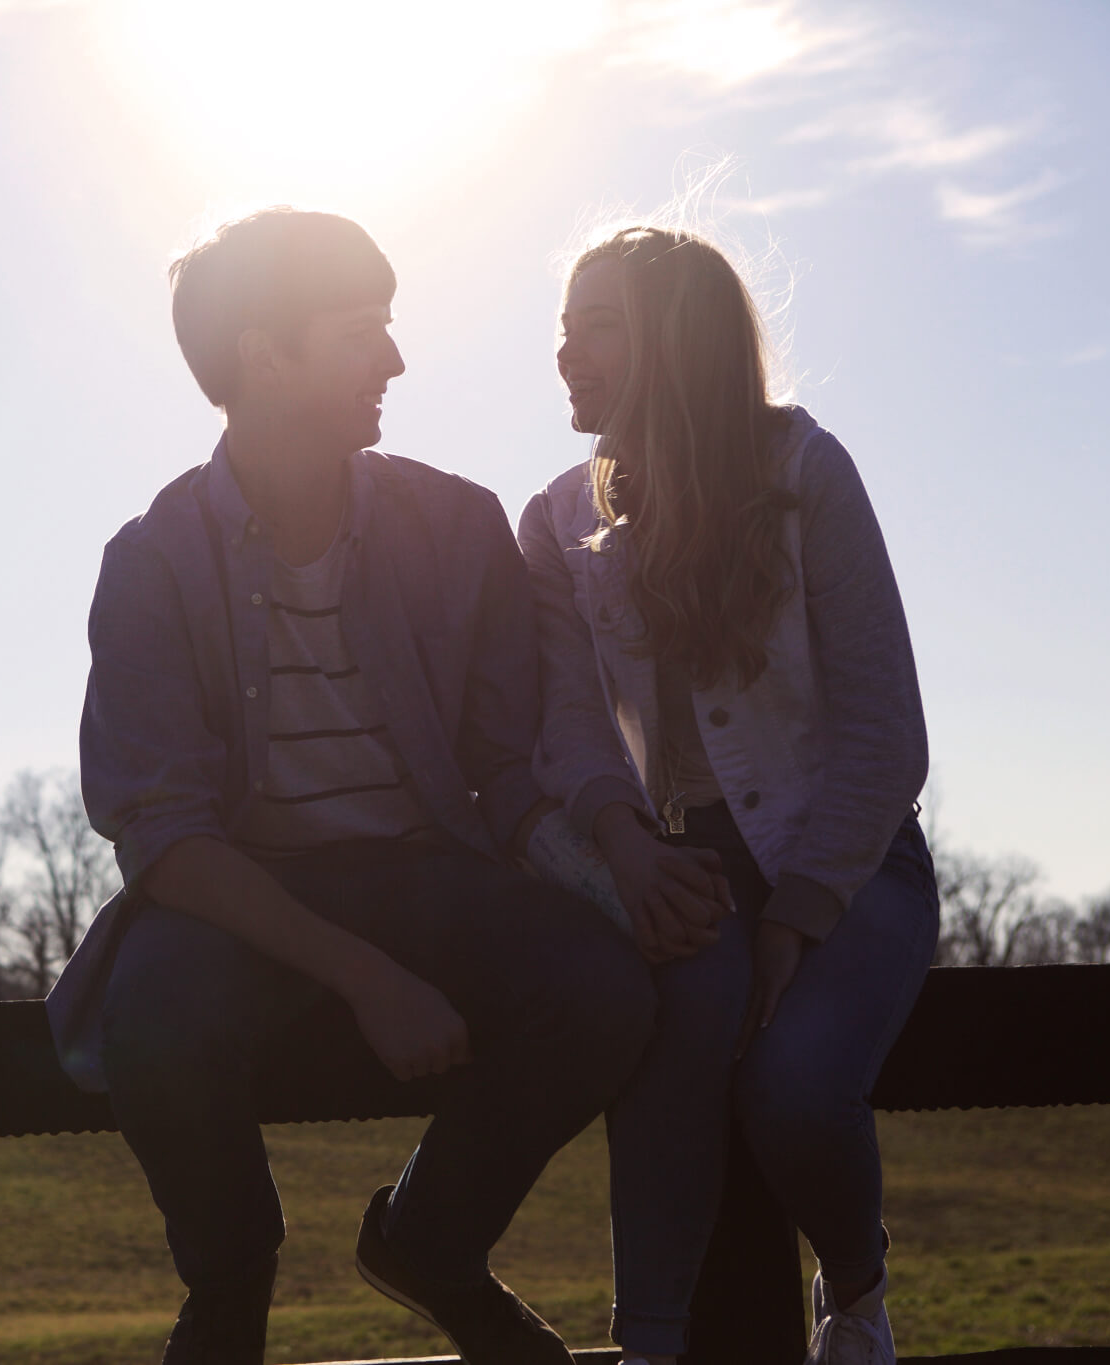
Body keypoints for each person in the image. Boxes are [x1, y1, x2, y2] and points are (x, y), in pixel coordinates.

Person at [46, 207, 656, 1365]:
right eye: (360, 330)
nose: (395, 357)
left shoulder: (457, 525)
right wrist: (365, 978)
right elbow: (163, 837)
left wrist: (624, 870)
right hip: (240, 890)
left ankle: (429, 1238)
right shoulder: (150, 562)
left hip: (428, 874)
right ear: (261, 356)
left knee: (606, 988)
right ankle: (228, 1289)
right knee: (154, 1025)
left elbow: (505, 762)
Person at [521, 225, 940, 1365]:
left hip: (847, 864)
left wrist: (799, 911)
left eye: (593, 328)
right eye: (560, 330)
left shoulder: (803, 475)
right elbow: (563, 731)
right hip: (671, 866)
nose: (564, 355)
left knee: (794, 1090)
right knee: (675, 1048)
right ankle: (653, 1345)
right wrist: (625, 848)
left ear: (675, 340)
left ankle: (853, 1296)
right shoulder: (556, 519)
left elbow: (883, 729)